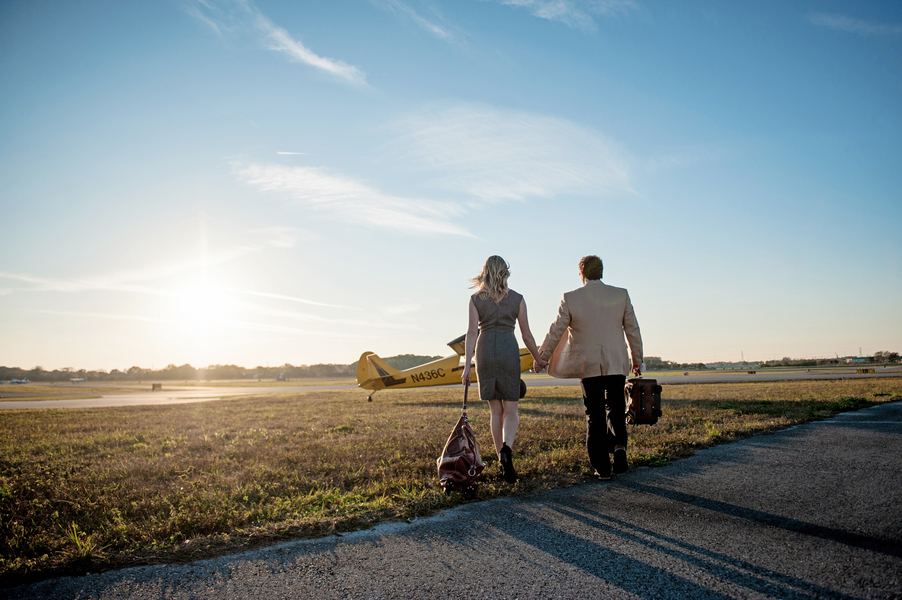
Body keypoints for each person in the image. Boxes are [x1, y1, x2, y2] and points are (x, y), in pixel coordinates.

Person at [535, 255, 642, 480]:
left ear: (582, 274)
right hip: (616, 363)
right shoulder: (620, 294)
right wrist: (637, 359)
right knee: (616, 407)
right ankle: (620, 447)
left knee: (594, 415)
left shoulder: (571, 298)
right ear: (601, 272)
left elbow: (556, 330)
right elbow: (633, 328)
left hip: (588, 366)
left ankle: (602, 468)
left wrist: (541, 357)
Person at [461, 256, 547, 483]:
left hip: (485, 352)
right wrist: (538, 358)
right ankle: (507, 449)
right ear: (504, 272)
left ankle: (501, 460)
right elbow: (526, 335)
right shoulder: (517, 299)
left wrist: (467, 366)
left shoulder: (475, 299)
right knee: (511, 409)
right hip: (509, 351)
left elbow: (471, 333)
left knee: (495, 411)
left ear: (485, 272)